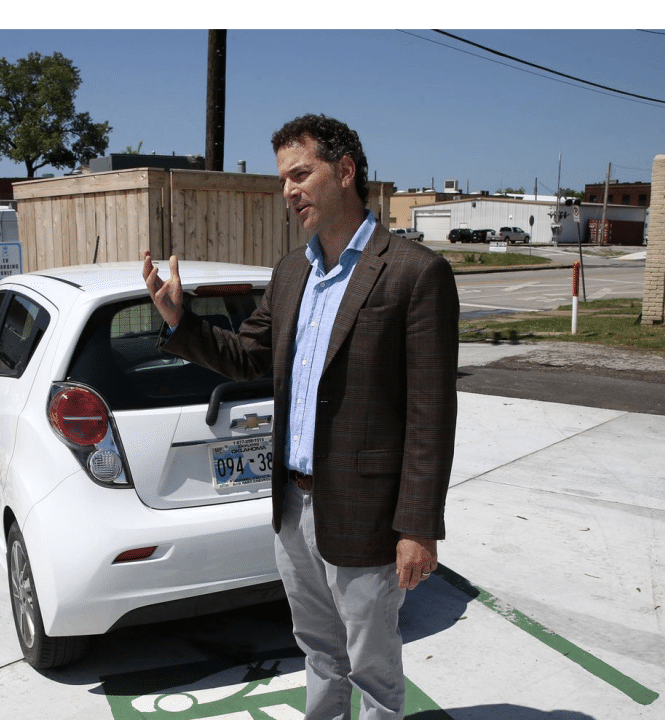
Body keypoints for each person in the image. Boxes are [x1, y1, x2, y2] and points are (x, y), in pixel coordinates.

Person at [141, 113, 459, 720]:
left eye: (299, 174)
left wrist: (418, 527)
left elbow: (431, 415)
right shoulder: (293, 272)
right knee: (317, 651)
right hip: (293, 506)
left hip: (367, 514)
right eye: (282, 179)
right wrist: (181, 322)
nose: (288, 191)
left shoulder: (415, 273)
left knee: (372, 665)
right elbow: (247, 355)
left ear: (345, 172)